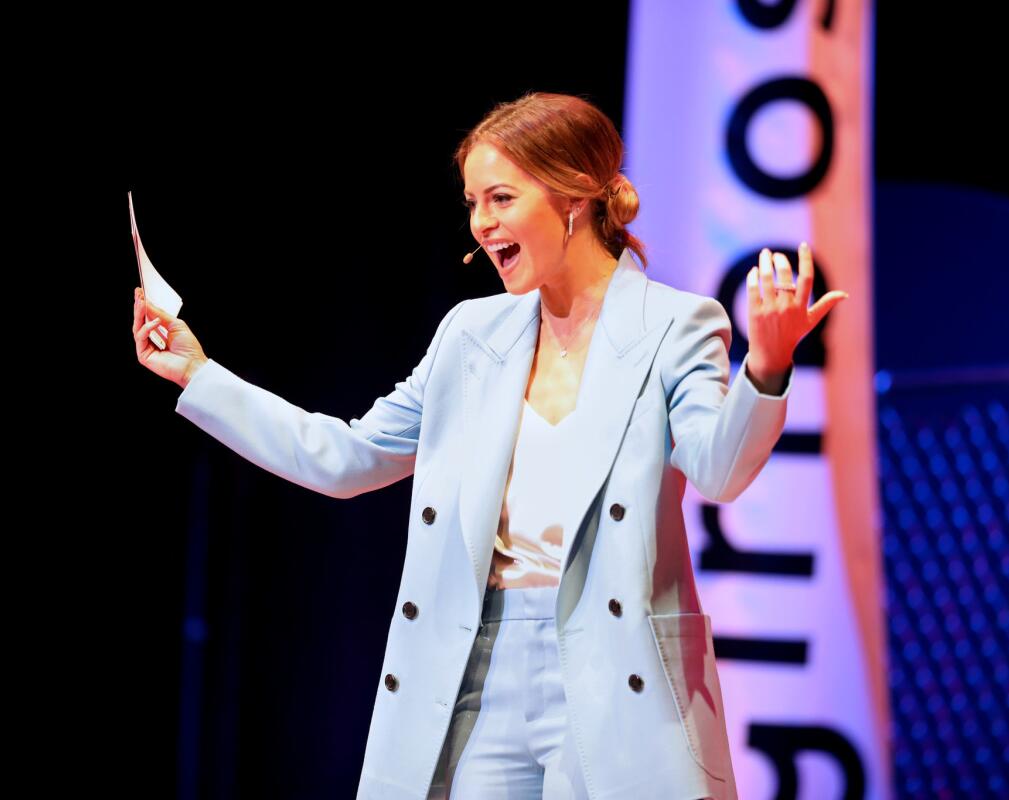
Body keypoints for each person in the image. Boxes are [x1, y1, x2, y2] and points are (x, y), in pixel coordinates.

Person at [133, 91, 847, 800]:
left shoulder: (676, 325)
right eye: (474, 203)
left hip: (614, 669)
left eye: (500, 199)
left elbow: (719, 470)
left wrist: (768, 367)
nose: (481, 225)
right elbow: (346, 459)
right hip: (478, 663)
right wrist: (201, 376)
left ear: (572, 195)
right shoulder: (471, 336)